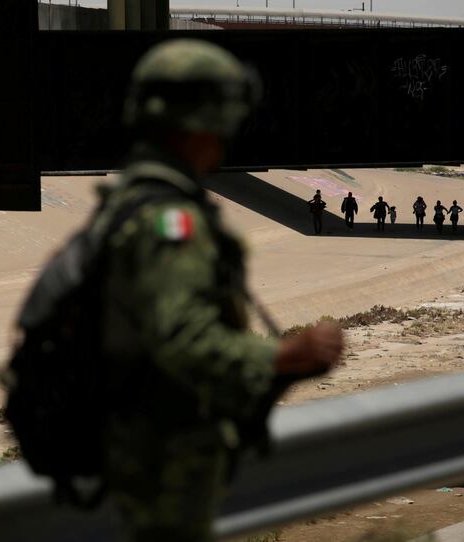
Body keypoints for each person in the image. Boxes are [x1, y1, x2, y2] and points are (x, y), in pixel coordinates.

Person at [102, 39, 344, 542]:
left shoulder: (137, 203)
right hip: (161, 472)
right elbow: (182, 340)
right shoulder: (170, 220)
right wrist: (284, 356)